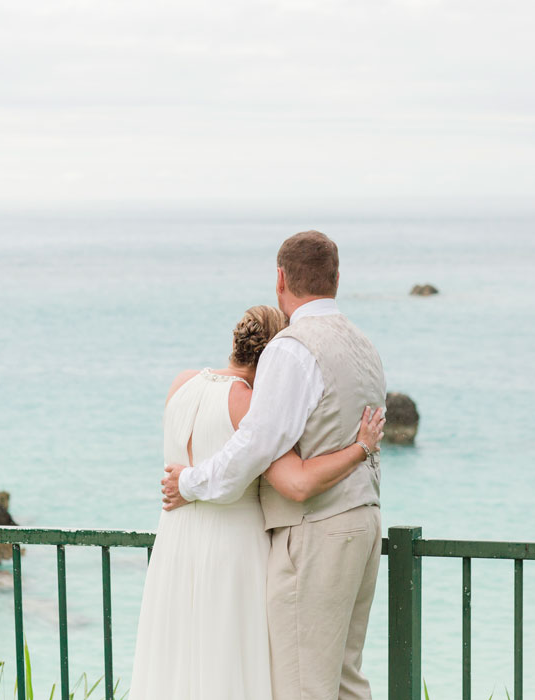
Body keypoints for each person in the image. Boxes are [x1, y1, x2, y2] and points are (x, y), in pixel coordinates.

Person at [162, 231, 387, 700]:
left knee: (303, 685)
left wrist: (191, 482)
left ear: (280, 278)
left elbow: (255, 444)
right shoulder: (364, 344)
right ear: (337, 279)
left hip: (316, 532)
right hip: (364, 523)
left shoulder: (291, 347)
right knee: (345, 680)